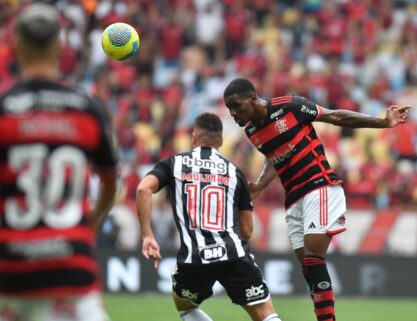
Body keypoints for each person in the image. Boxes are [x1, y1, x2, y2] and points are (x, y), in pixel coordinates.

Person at [223, 78, 411, 321]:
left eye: (236, 105)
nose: (233, 113)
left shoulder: (290, 106)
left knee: (313, 256)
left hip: (319, 185)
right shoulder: (251, 131)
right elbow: (275, 156)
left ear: (252, 98)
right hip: (293, 198)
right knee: (309, 268)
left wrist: (383, 122)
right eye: (229, 108)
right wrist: (259, 184)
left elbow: (337, 117)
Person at [0, 3, 118, 321]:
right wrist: (89, 226)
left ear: (15, 45)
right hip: (72, 268)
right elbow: (109, 180)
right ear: (60, 45)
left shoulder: (4, 109)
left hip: (11, 271)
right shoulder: (87, 109)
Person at [136, 112, 282, 321]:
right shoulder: (234, 172)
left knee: (185, 306)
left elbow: (143, 190)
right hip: (233, 254)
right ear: (221, 141)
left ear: (193, 137)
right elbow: (248, 231)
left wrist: (148, 235)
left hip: (195, 257)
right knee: (265, 314)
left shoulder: (174, 164)